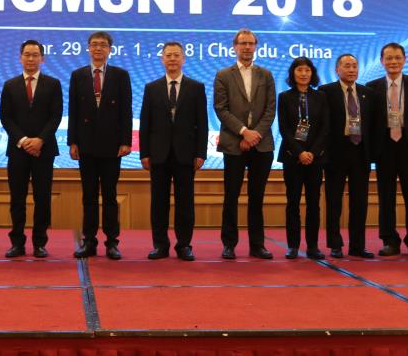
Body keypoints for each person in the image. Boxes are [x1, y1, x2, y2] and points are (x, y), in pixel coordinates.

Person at [139, 42, 207, 261]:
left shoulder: (196, 87)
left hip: (186, 154)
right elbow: (145, 123)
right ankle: (160, 245)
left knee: (185, 203)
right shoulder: (152, 88)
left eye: (176, 55)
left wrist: (201, 153)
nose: (172, 59)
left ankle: (184, 245)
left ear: (183, 59)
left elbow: (202, 123)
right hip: (158, 154)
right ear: (162, 59)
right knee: (158, 203)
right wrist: (144, 153)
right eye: (168, 55)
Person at [68, 31, 132, 259]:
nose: (98, 48)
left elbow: (126, 110)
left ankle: (112, 242)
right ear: (88, 48)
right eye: (94, 44)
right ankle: (89, 241)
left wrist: (126, 141)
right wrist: (72, 141)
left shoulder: (120, 75)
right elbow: (73, 110)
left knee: (110, 196)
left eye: (103, 45)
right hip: (86, 145)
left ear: (109, 50)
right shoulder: (78, 75)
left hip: (112, 146)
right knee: (89, 196)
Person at [213, 28, 276, 259]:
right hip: (233, 144)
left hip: (261, 143)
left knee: (256, 197)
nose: (247, 47)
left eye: (250, 43)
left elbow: (270, 109)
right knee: (231, 196)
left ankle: (257, 245)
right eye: (243, 43)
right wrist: (243, 132)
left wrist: (255, 134)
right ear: (235, 47)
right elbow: (221, 109)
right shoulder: (223, 75)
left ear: (255, 46)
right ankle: (229, 244)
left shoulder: (266, 75)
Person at [366, 43, 408, 257]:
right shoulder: (372, 87)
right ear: (381, 61)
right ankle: (389, 240)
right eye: (388, 58)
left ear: (405, 60)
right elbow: (369, 122)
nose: (393, 62)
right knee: (386, 197)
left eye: (397, 58)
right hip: (384, 145)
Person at [0, 40, 63, 258]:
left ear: (42, 59)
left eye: (35, 55)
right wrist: (24, 140)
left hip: (44, 150)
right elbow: (6, 117)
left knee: (42, 198)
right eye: (27, 54)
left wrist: (40, 140)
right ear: (20, 57)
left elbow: (56, 116)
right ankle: (17, 243)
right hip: (18, 150)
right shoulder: (10, 85)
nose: (31, 58)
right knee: (17, 199)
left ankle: (39, 243)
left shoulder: (53, 84)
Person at [319, 54, 375, 258]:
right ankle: (335, 244)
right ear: (337, 69)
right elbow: (322, 124)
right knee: (334, 201)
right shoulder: (326, 91)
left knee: (359, 202)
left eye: (354, 66)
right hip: (336, 151)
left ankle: (357, 246)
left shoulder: (367, 93)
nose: (351, 70)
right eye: (347, 66)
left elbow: (374, 125)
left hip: (360, 151)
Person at [277, 56, 329, 259]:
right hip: (292, 156)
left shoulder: (321, 96)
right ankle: (293, 245)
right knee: (293, 202)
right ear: (293, 73)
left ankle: (313, 246)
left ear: (312, 73)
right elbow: (284, 128)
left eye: (307, 70)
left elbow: (325, 128)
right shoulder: (284, 97)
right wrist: (299, 152)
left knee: (314, 203)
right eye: (299, 70)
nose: (303, 73)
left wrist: (312, 153)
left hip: (315, 158)